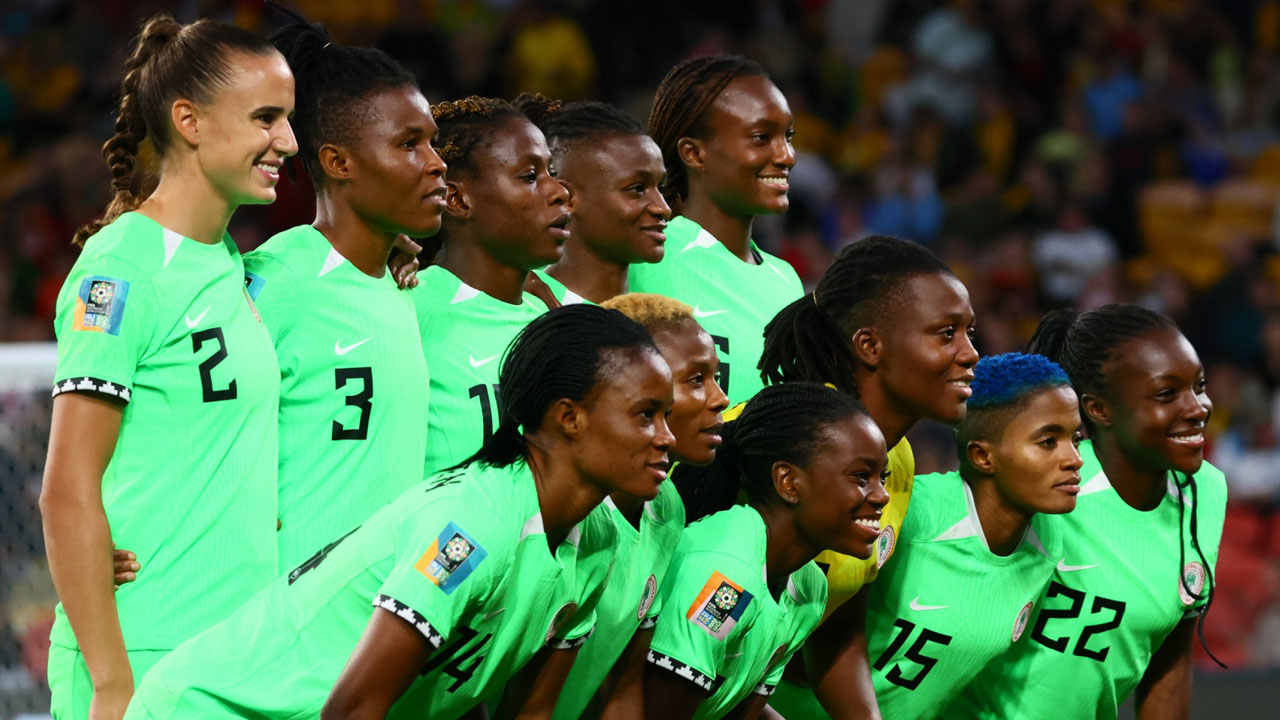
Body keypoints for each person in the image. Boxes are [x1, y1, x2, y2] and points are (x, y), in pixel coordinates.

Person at [125, 304, 676, 719]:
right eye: (645, 414)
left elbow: (526, 710)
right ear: (569, 417)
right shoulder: (474, 525)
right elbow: (352, 710)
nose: (665, 437)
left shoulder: (598, 540)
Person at [40, 14, 295, 718]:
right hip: (143, 660)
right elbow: (66, 491)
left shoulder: (230, 262)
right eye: (266, 118)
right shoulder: (123, 265)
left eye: (288, 119)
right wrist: (111, 683)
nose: (288, 142)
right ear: (189, 121)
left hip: (232, 660)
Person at [744, 236, 979, 719]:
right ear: (870, 346)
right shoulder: (785, 446)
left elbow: (836, 622)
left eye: (968, 332)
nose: (970, 353)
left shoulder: (899, 460)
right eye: (945, 333)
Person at [954, 305, 1226, 720]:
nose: (1198, 408)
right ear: (1098, 409)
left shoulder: (1206, 491)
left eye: (1199, 386)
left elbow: (1170, 655)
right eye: (1166, 394)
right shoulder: (1046, 479)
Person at [246, 23, 446, 570]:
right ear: (338, 162)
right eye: (409, 144)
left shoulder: (401, 283)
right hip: (289, 607)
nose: (436, 162)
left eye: (432, 142)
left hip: (383, 607)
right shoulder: (279, 279)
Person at [645, 383, 890, 720]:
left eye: (883, 477)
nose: (882, 495)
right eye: (861, 477)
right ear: (788, 482)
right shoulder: (727, 576)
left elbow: (738, 712)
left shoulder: (808, 587)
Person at [865, 353, 1083, 718]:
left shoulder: (1048, 543)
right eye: (1048, 441)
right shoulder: (912, 515)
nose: (1074, 458)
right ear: (983, 456)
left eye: (1076, 438)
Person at [544, 293, 728, 720]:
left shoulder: (667, 505)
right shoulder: (570, 512)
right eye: (696, 379)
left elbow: (623, 685)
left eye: (716, 377)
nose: (720, 398)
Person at [630, 55, 802, 405]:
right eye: (761, 137)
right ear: (694, 153)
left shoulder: (787, 281)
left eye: (787, 136)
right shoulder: (646, 257)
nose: (786, 155)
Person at [413, 96, 569, 473]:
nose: (559, 191)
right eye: (529, 176)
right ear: (457, 199)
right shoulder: (410, 310)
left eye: (550, 171)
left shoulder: (554, 320)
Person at [515, 94, 670, 305]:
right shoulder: (527, 310)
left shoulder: (665, 310)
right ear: (567, 198)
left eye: (660, 187)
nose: (663, 208)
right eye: (637, 189)